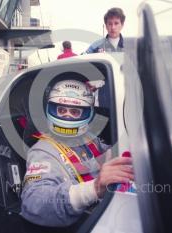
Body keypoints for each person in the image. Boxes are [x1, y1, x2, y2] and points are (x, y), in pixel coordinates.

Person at [20, 78, 134, 227]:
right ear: (51, 109)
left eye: (75, 111)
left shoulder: (87, 139)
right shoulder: (43, 151)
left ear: (87, 113)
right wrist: (94, 188)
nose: (67, 116)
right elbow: (34, 203)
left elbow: (107, 155)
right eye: (61, 110)